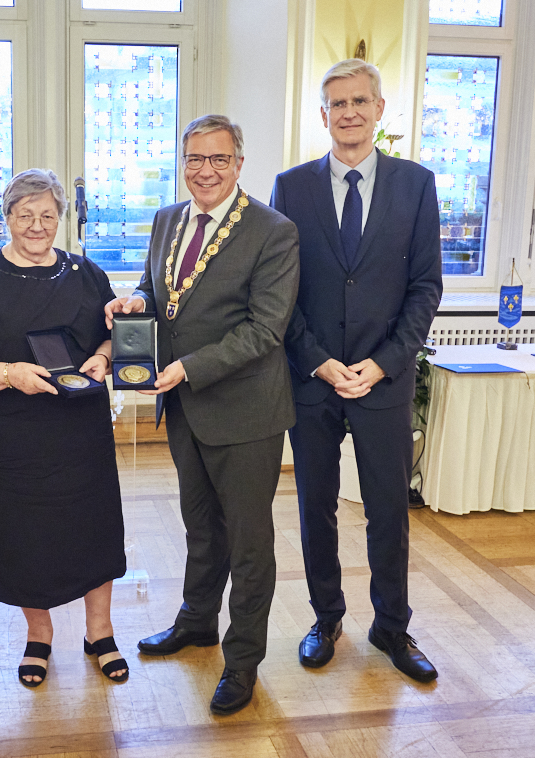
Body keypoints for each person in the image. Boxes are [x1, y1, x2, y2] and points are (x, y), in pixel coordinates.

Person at [106, 115, 299, 715]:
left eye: (218, 159)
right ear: (183, 163)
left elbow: (265, 329)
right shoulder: (168, 219)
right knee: (200, 526)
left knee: (248, 542)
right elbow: (158, 288)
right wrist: (137, 299)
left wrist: (188, 367)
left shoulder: (273, 231)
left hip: (245, 412)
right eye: (195, 159)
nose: (205, 170)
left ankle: (242, 661)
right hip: (186, 408)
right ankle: (197, 621)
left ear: (239, 163)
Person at [271, 59, 442, 682]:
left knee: (388, 511)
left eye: (359, 101)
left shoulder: (416, 185)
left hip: (383, 382)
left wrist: (385, 363)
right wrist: (318, 362)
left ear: (379, 109)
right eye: (337, 104)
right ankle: (326, 618)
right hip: (314, 383)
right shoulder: (291, 188)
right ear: (323, 115)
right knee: (315, 507)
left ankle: (392, 626)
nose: (349, 112)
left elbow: (425, 287)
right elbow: (280, 292)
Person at [0, 169, 128, 688]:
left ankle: (100, 631)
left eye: (48, 215)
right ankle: (38, 634)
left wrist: (103, 356)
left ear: (61, 218)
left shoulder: (87, 274)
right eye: (25, 215)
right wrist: (10, 374)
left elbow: (112, 338)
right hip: (9, 437)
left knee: (94, 530)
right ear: (7, 217)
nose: (37, 225)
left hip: (80, 433)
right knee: (22, 536)